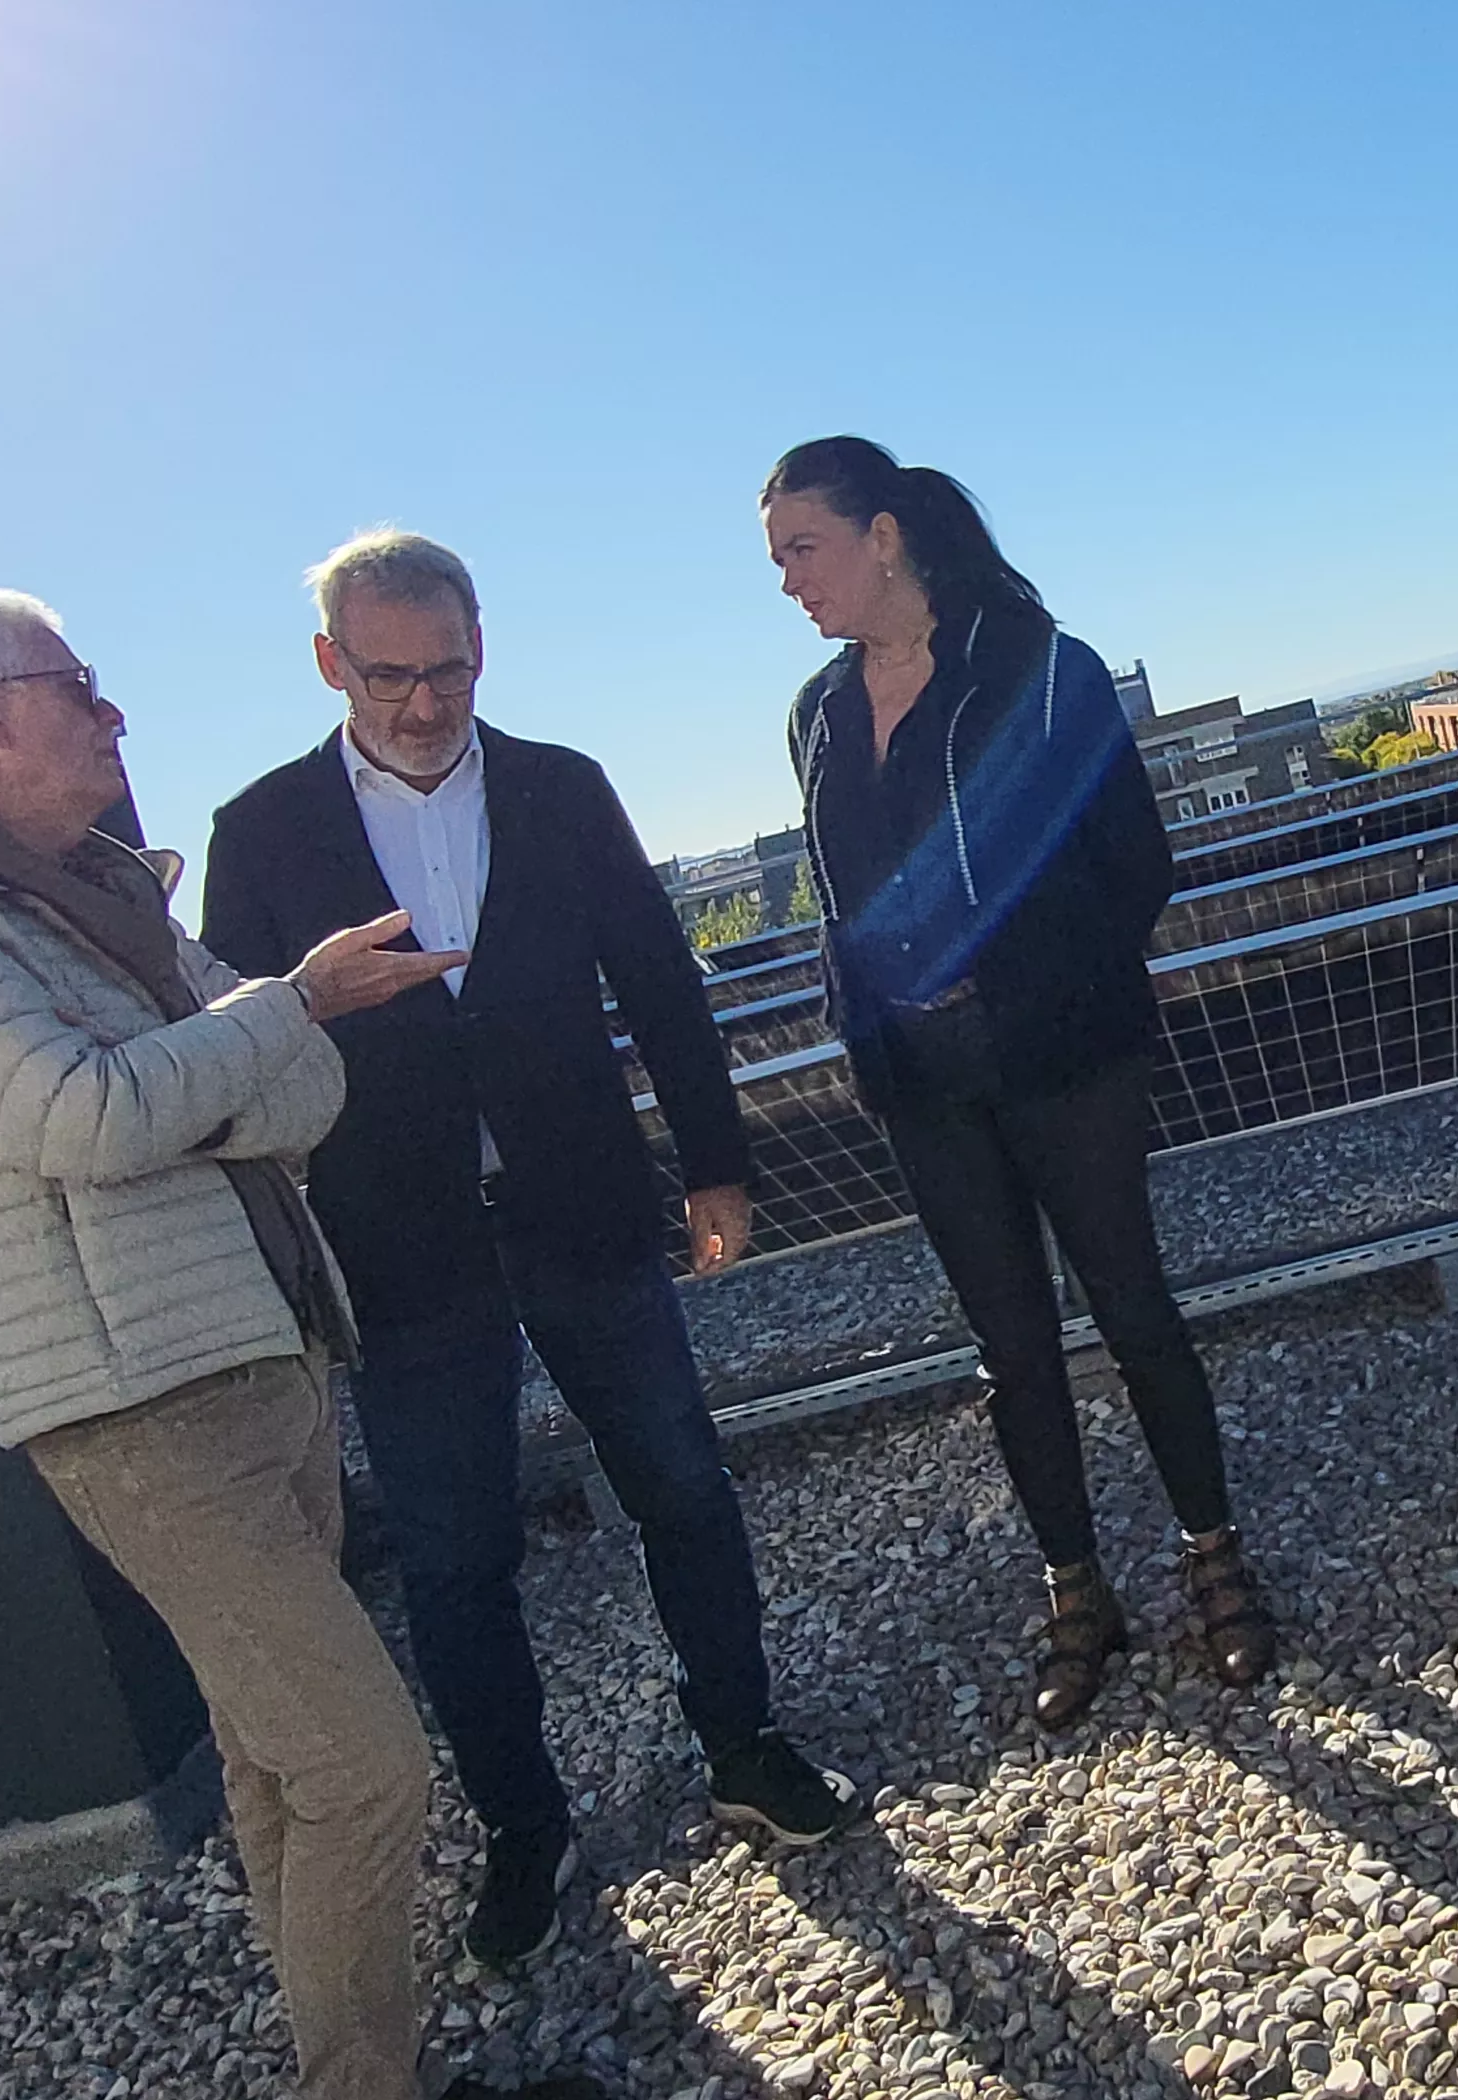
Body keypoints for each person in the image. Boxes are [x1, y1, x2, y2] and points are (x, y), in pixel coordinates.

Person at [0, 591, 574, 2100]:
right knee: (363, 1763)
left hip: (262, 1356)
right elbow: (86, 1118)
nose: (113, 714)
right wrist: (282, 1011)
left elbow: (302, 1104)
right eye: (75, 686)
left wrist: (202, 1082)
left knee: (280, 1767)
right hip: (130, 1408)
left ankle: (346, 2072)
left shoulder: (90, 895)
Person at [203, 530, 864, 1972]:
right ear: (330, 664)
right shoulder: (259, 832)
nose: (427, 703)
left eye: (450, 668)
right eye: (392, 676)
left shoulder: (563, 788)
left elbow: (662, 987)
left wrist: (718, 1165)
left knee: (683, 1488)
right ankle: (524, 1829)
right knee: (454, 1563)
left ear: (482, 646)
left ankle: (745, 1749)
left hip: (585, 1213)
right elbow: (234, 1066)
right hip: (401, 1251)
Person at [763, 437, 1276, 1730]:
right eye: (775, 561)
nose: (786, 583)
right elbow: (842, 898)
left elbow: (1135, 867)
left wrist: (1024, 983)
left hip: (1064, 1058)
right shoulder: (815, 714)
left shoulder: (1045, 671)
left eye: (800, 550)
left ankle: (1217, 1563)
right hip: (922, 1084)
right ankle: (1076, 1592)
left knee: (1134, 1310)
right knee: (1010, 1349)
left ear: (883, 535)